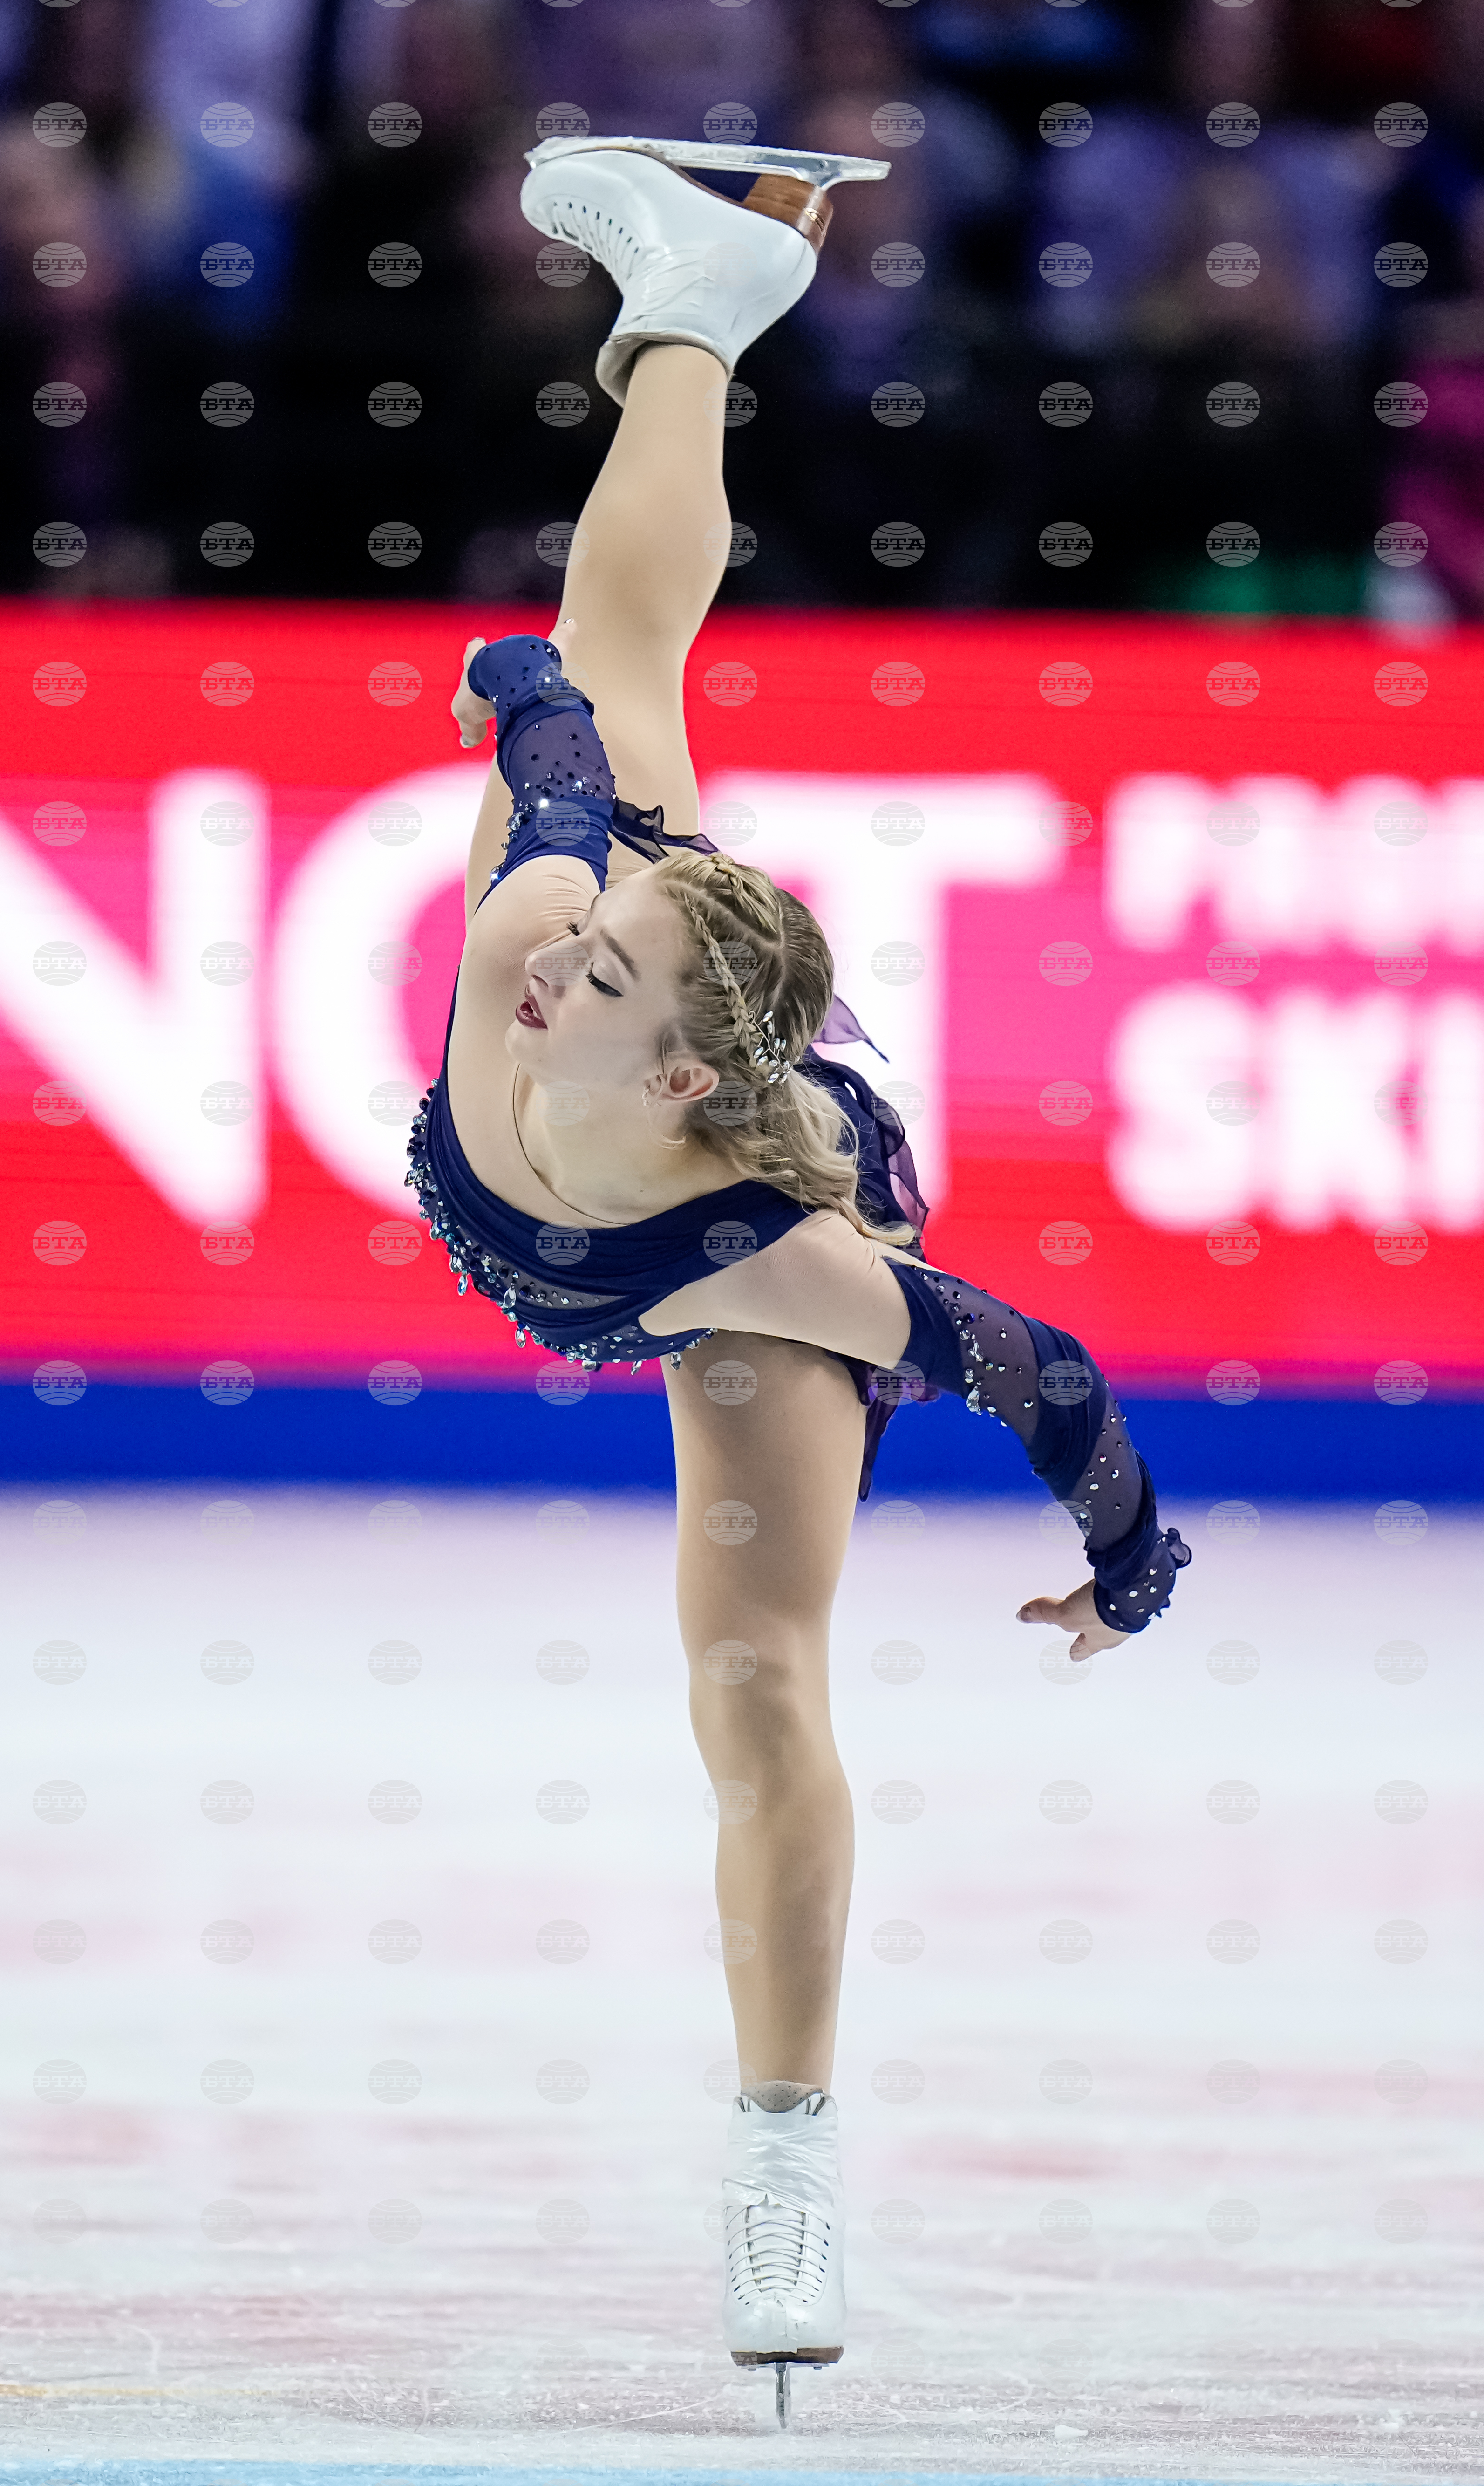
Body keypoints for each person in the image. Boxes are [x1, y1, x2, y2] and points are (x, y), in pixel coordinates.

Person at [408, 130, 1190, 2424]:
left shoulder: (791, 1254)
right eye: (587, 933)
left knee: (751, 1675)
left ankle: (783, 2143)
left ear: (687, 1062)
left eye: (600, 971)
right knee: (619, 653)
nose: (547, 964)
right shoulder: (546, 922)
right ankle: (697, 279)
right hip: (631, 1127)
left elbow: (1041, 1371)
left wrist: (1127, 1566)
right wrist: (529, 718)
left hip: (728, 1216)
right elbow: (568, 738)